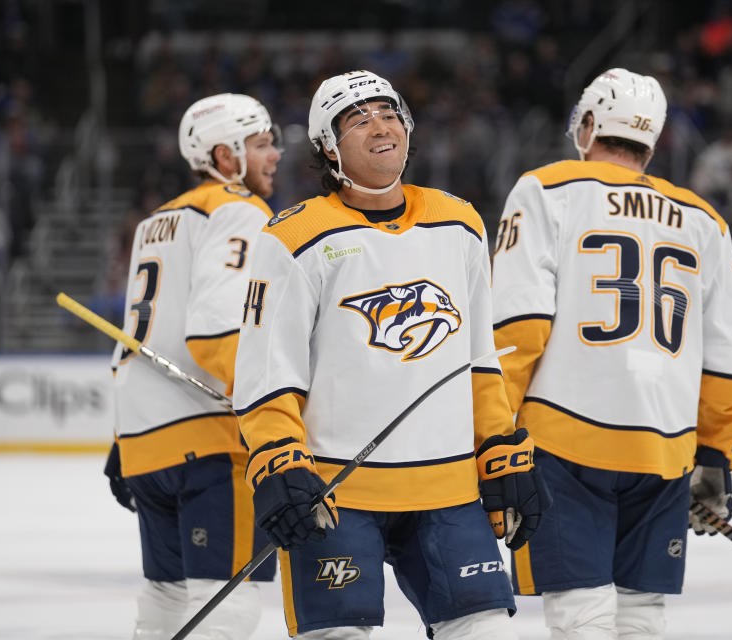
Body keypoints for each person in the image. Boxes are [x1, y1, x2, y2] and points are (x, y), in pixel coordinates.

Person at [232, 70, 549, 639]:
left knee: (488, 630)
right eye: (358, 119)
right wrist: (277, 455)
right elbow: (267, 370)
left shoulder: (460, 222)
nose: (380, 126)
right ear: (329, 147)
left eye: (388, 113)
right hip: (335, 492)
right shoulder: (293, 237)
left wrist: (499, 440)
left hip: (447, 487)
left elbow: (479, 359)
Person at [491, 68, 732, 639]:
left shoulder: (546, 189)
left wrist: (490, 428)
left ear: (588, 125)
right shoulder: (704, 221)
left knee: (580, 615)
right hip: (664, 447)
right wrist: (716, 452)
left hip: (563, 442)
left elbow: (518, 326)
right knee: (641, 618)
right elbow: (728, 352)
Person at [105, 93, 283, 639]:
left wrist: (120, 440)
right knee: (225, 603)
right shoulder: (240, 209)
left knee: (167, 594)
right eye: (261, 143)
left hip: (143, 441)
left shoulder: (155, 222)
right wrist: (274, 411)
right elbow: (215, 332)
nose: (275, 154)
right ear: (226, 158)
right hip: (207, 440)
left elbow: (142, 337)